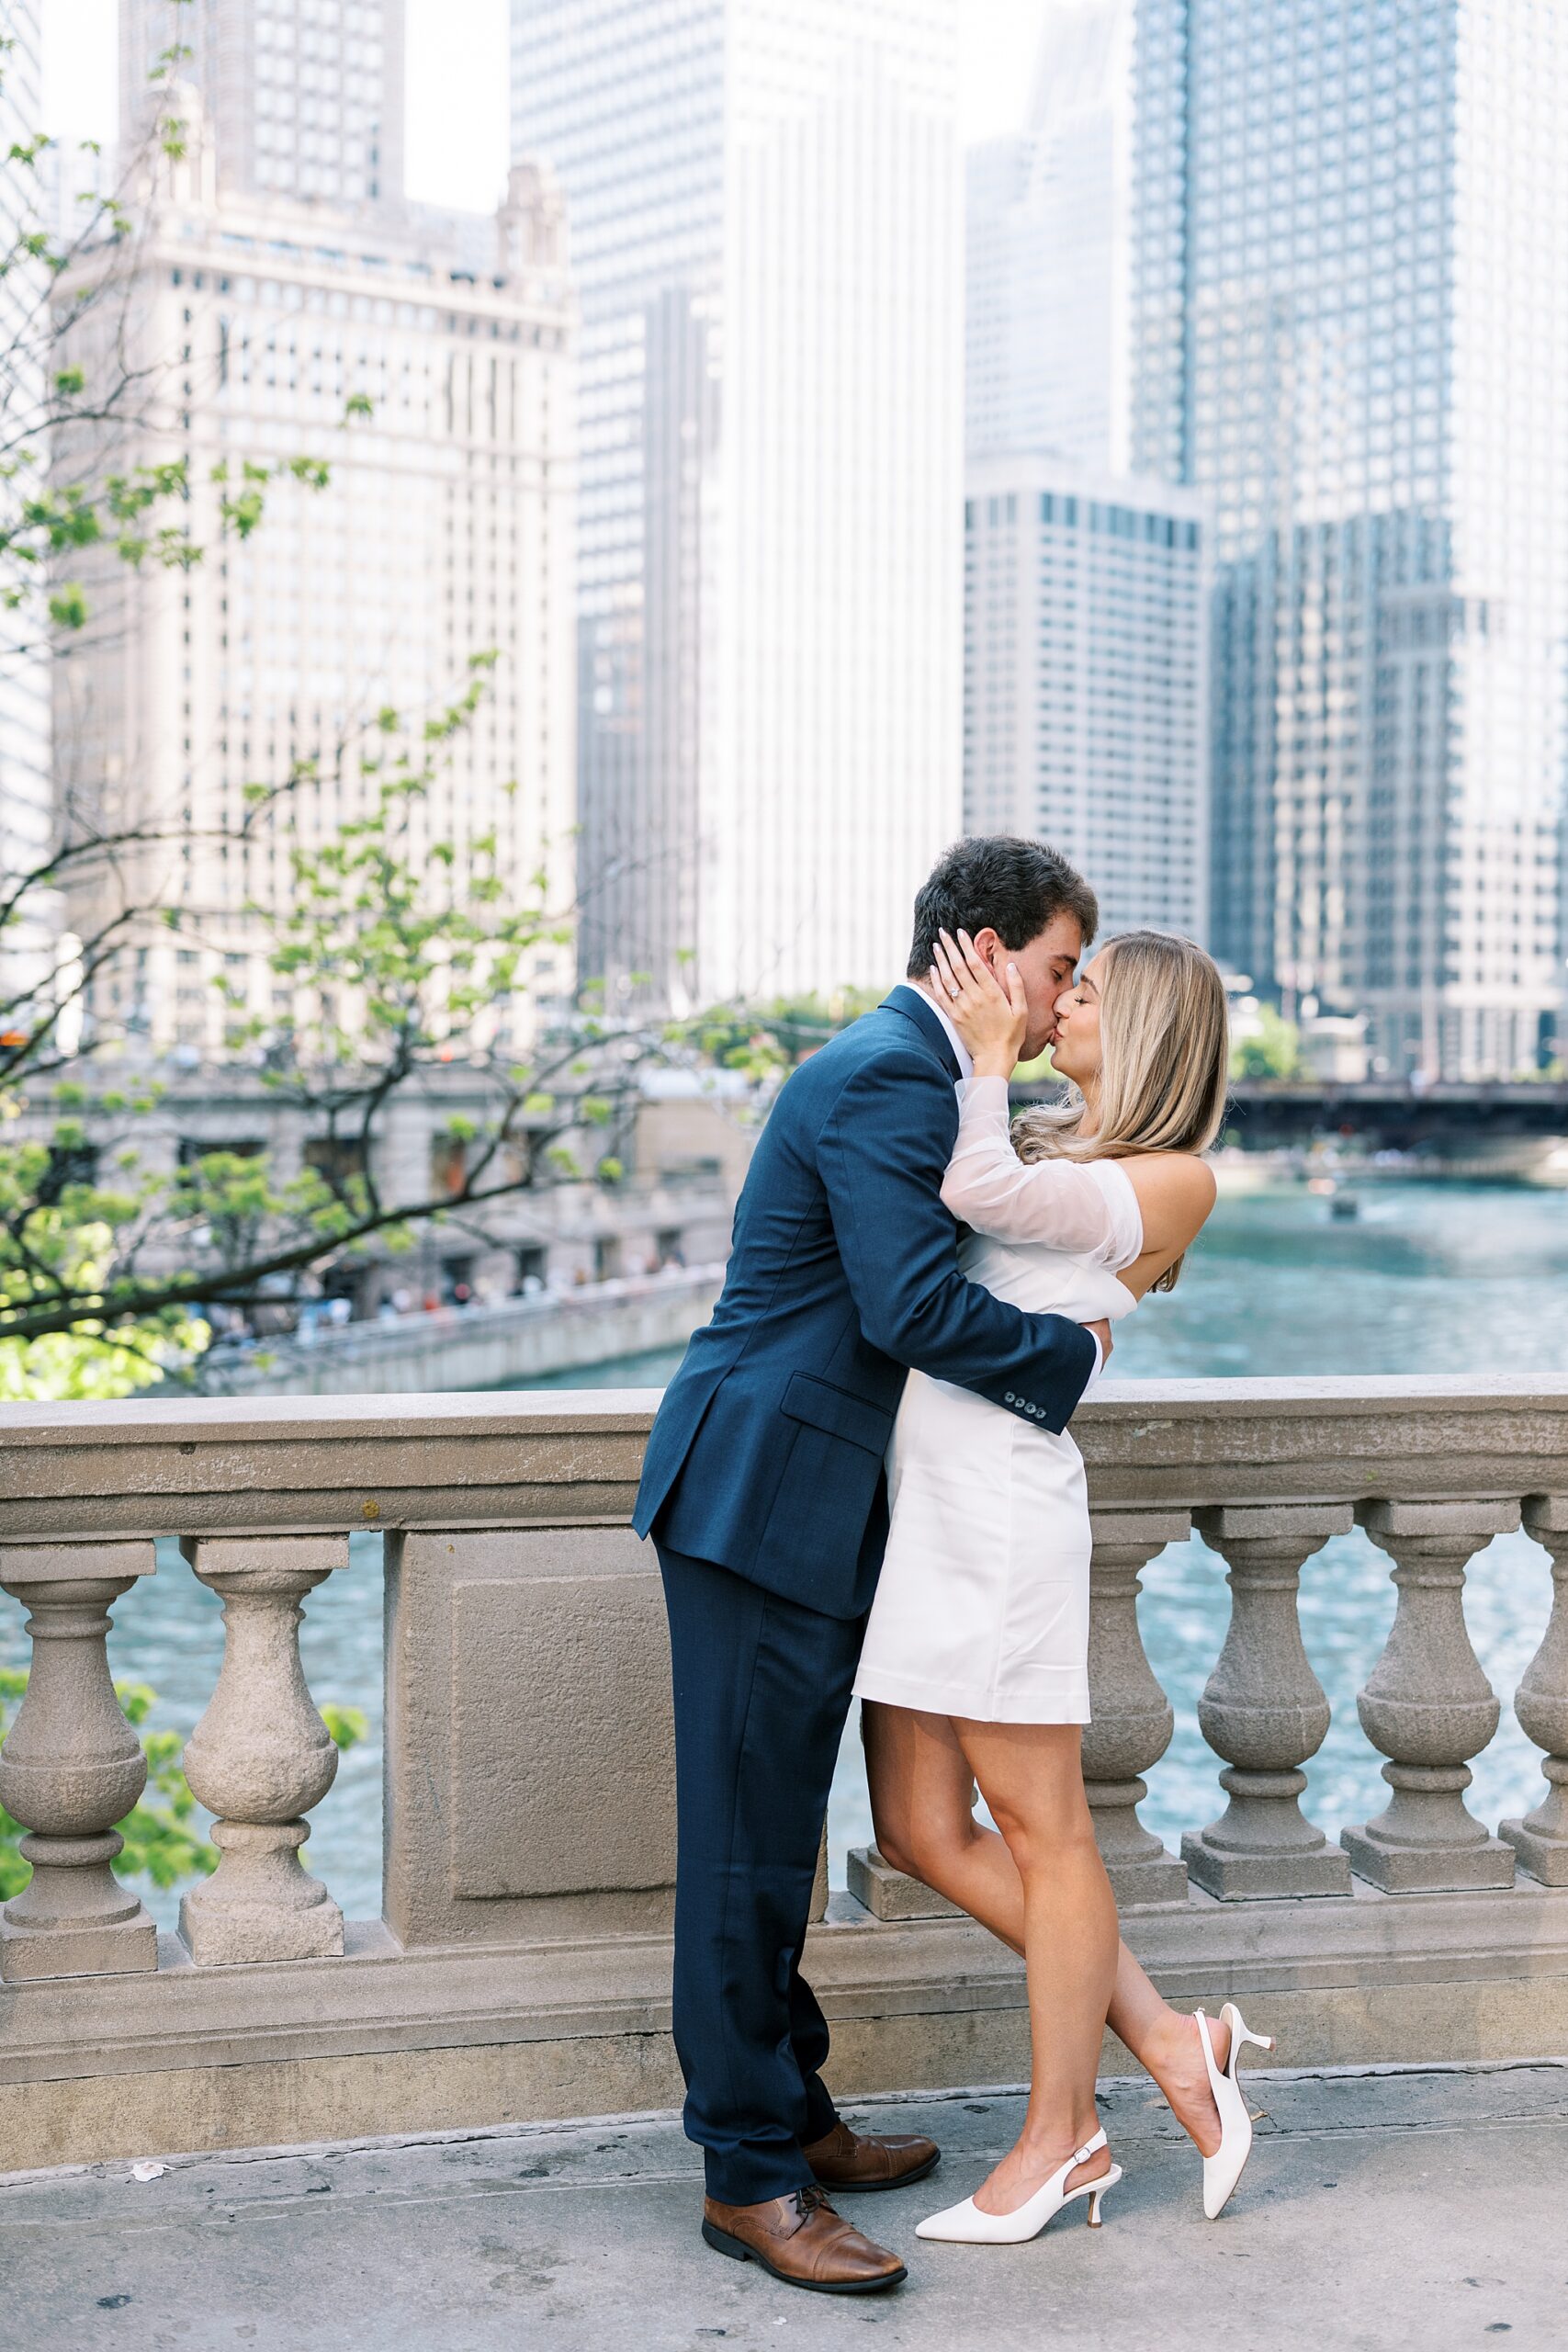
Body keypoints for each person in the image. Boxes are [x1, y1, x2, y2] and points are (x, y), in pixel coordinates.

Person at [633, 837, 1109, 2296]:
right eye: (1058, 967)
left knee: (775, 1838)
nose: (1065, 998)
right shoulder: (892, 1074)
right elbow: (905, 1307)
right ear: (984, 953)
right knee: (744, 1852)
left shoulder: (918, 1071)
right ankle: (748, 2178)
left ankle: (796, 2117)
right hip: (762, 1497)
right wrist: (1070, 1357)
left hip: (805, 1498)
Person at [858, 924, 1273, 2248]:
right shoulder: (1053, 1145)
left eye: (1082, 991)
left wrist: (983, 1056)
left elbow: (976, 1192)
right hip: (926, 1514)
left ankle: (1061, 2138)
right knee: (918, 1830)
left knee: (1046, 1834)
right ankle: (1169, 2038)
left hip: (999, 1520)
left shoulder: (1171, 1179)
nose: (1055, 1004)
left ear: (1142, 1025)